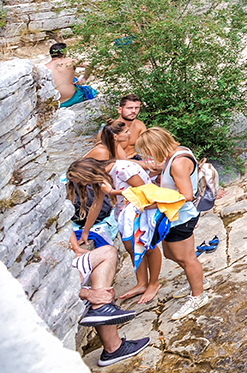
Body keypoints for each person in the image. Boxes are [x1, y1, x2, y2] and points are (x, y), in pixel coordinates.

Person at [135, 127, 208, 321]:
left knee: (186, 258)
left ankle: (198, 295)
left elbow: (187, 195)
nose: (149, 157)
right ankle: (197, 279)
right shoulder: (176, 152)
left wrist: (154, 202)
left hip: (182, 217)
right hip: (173, 216)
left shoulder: (177, 163)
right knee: (170, 254)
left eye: (148, 152)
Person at [66, 157, 162, 305]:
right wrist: (85, 232)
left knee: (148, 247)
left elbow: (145, 193)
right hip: (125, 215)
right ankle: (142, 282)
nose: (84, 184)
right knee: (131, 248)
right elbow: (96, 204)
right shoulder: (101, 178)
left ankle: (154, 283)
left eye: (83, 181)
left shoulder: (124, 169)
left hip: (144, 212)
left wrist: (111, 192)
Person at [67, 241, 150, 367]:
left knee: (108, 252)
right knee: (101, 292)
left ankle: (100, 308)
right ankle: (113, 347)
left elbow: (73, 249)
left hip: (67, 274)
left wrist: (70, 270)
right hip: (53, 292)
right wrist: (88, 294)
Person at [48, 42, 97, 108]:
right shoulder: (69, 61)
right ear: (65, 52)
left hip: (55, 103)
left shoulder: (45, 67)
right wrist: (84, 79)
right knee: (89, 90)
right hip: (71, 98)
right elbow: (89, 65)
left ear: (51, 54)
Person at [111, 96, 146, 160]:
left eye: (136, 108)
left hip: (136, 157)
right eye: (129, 108)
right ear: (119, 110)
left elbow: (149, 144)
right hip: (118, 163)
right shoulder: (111, 129)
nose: (133, 111)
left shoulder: (139, 125)